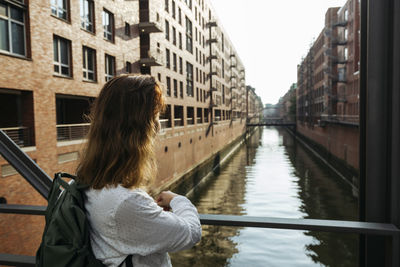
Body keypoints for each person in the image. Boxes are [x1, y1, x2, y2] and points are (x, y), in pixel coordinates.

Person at [76, 74, 202, 267]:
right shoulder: (125, 202)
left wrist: (148, 211)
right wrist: (177, 200)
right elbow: (191, 233)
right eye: (156, 116)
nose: (159, 124)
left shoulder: (87, 181)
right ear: (140, 128)